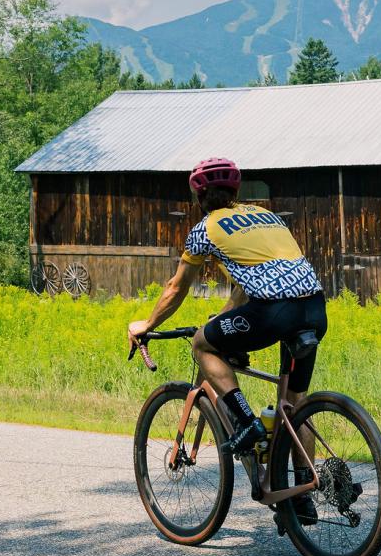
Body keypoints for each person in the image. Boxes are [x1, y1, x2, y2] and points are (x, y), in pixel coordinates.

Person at [127, 157, 327, 511]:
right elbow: (245, 283)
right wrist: (221, 319)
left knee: (203, 343)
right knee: (294, 407)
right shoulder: (267, 217)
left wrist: (147, 324)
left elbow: (176, 288)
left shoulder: (205, 229)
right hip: (313, 309)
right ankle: (301, 495)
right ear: (236, 192)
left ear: (197, 198)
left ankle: (247, 423)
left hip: (273, 312)